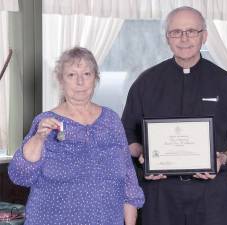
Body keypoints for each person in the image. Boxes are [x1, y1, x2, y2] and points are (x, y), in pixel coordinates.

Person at [122, 6, 227, 225]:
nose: (184, 38)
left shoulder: (225, 83)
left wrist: (222, 158)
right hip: (159, 195)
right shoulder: (146, 83)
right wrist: (143, 157)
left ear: (204, 36)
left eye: (191, 31)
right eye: (176, 32)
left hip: (212, 197)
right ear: (167, 38)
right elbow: (126, 135)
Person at [8, 47, 144, 225]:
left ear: (95, 78)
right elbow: (20, 175)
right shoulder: (45, 122)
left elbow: (128, 180)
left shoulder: (111, 120)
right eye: (71, 75)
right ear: (61, 81)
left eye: (87, 74)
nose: (80, 82)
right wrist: (39, 139)